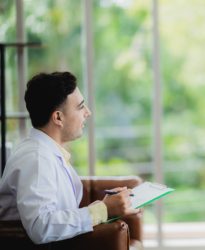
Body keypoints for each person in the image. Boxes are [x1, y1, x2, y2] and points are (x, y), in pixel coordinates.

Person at [0, 71, 137, 244]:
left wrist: (107, 207)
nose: (88, 112)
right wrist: (102, 210)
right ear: (58, 117)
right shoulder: (37, 159)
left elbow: (59, 214)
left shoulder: (46, 152)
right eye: (80, 106)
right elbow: (40, 227)